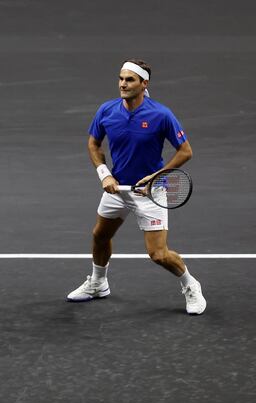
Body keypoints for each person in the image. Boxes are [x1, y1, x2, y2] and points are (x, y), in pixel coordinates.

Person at [66, 60, 207, 315]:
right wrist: (104, 175)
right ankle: (99, 283)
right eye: (121, 78)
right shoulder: (107, 111)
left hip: (150, 193)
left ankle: (191, 285)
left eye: (129, 80)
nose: (123, 84)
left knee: (159, 254)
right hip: (117, 189)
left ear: (144, 84)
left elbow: (186, 151)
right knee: (100, 236)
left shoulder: (161, 114)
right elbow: (93, 144)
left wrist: (155, 177)